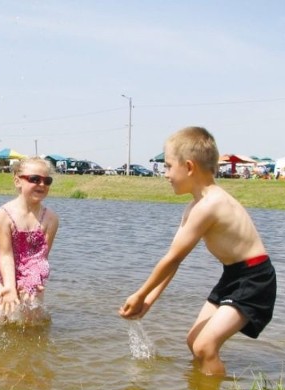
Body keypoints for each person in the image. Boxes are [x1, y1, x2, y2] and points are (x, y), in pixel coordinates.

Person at [118, 127, 276, 376]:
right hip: (234, 275)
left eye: (168, 166)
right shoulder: (195, 206)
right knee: (194, 341)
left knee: (205, 345)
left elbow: (172, 259)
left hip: (255, 278)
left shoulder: (211, 205)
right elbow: (174, 260)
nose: (165, 174)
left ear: (189, 167)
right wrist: (149, 300)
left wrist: (139, 295)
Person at [0, 157, 59, 324]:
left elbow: (41, 257)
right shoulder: (4, 214)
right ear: (17, 181)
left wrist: (35, 279)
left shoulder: (50, 219)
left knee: (31, 324)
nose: (42, 184)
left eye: (47, 180)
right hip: (4, 274)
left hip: (32, 273)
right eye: (34, 179)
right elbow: (6, 255)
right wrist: (9, 286)